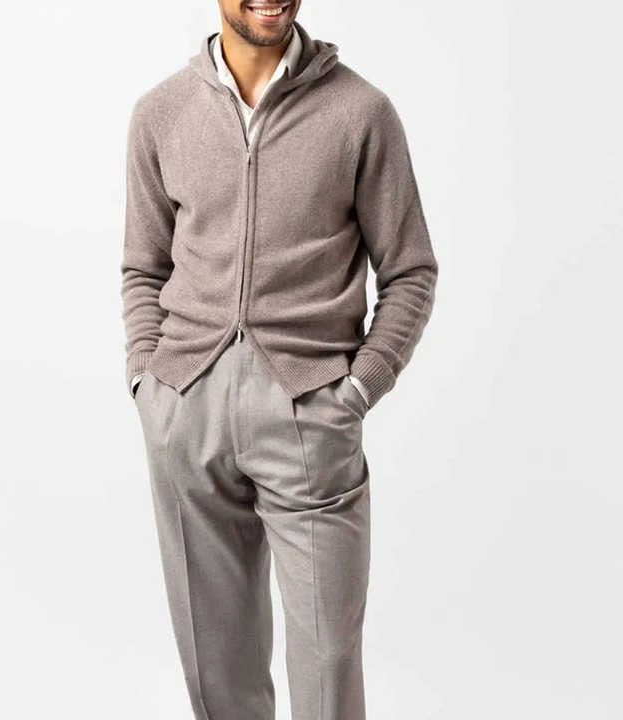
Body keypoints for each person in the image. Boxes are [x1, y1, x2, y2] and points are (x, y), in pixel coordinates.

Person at [120, 3, 438, 718]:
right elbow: (143, 267)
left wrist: (358, 388)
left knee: (326, 667)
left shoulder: (361, 112)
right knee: (217, 668)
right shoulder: (160, 113)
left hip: (309, 408)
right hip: (186, 409)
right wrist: (147, 379)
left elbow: (411, 270)